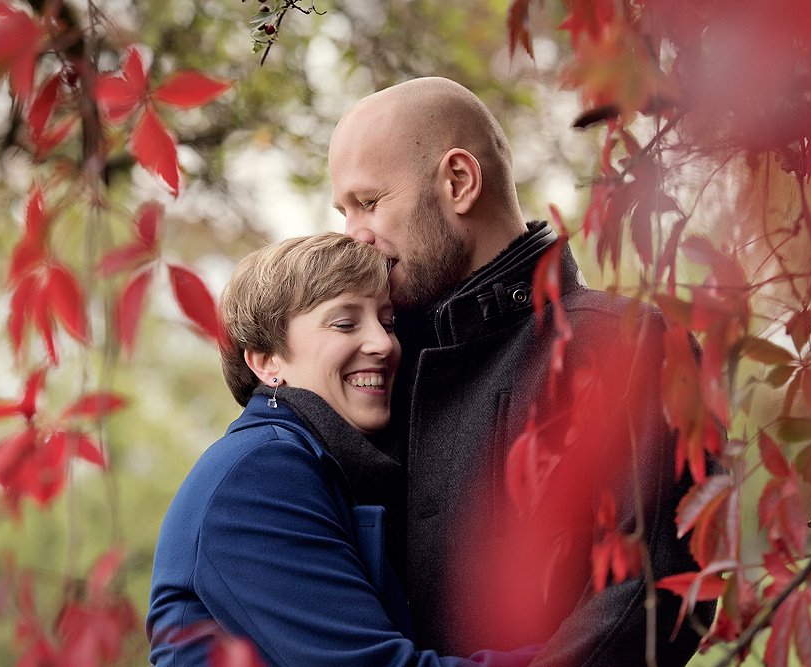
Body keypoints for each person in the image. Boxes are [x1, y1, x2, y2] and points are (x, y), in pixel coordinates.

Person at [329, 77, 716, 666]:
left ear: (459, 182)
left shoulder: (631, 346)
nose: (353, 236)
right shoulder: (370, 366)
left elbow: (651, 598)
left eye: (369, 202)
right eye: (344, 211)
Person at [146, 233, 541, 667]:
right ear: (266, 361)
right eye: (345, 324)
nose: (384, 344)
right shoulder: (260, 473)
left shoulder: (321, 467)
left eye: (387, 322)